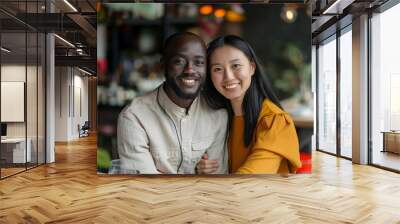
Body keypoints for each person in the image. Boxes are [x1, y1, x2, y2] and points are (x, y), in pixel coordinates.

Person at [117, 32, 228, 174]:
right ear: (163, 66)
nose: (190, 70)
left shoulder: (218, 114)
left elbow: (216, 184)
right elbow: (145, 188)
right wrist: (196, 176)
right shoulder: (134, 117)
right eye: (179, 61)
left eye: (199, 62)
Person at [199, 35, 301, 174]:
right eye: (218, 69)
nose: (228, 76)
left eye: (235, 66)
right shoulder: (218, 117)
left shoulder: (274, 120)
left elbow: (249, 179)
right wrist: (200, 167)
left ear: (252, 67)